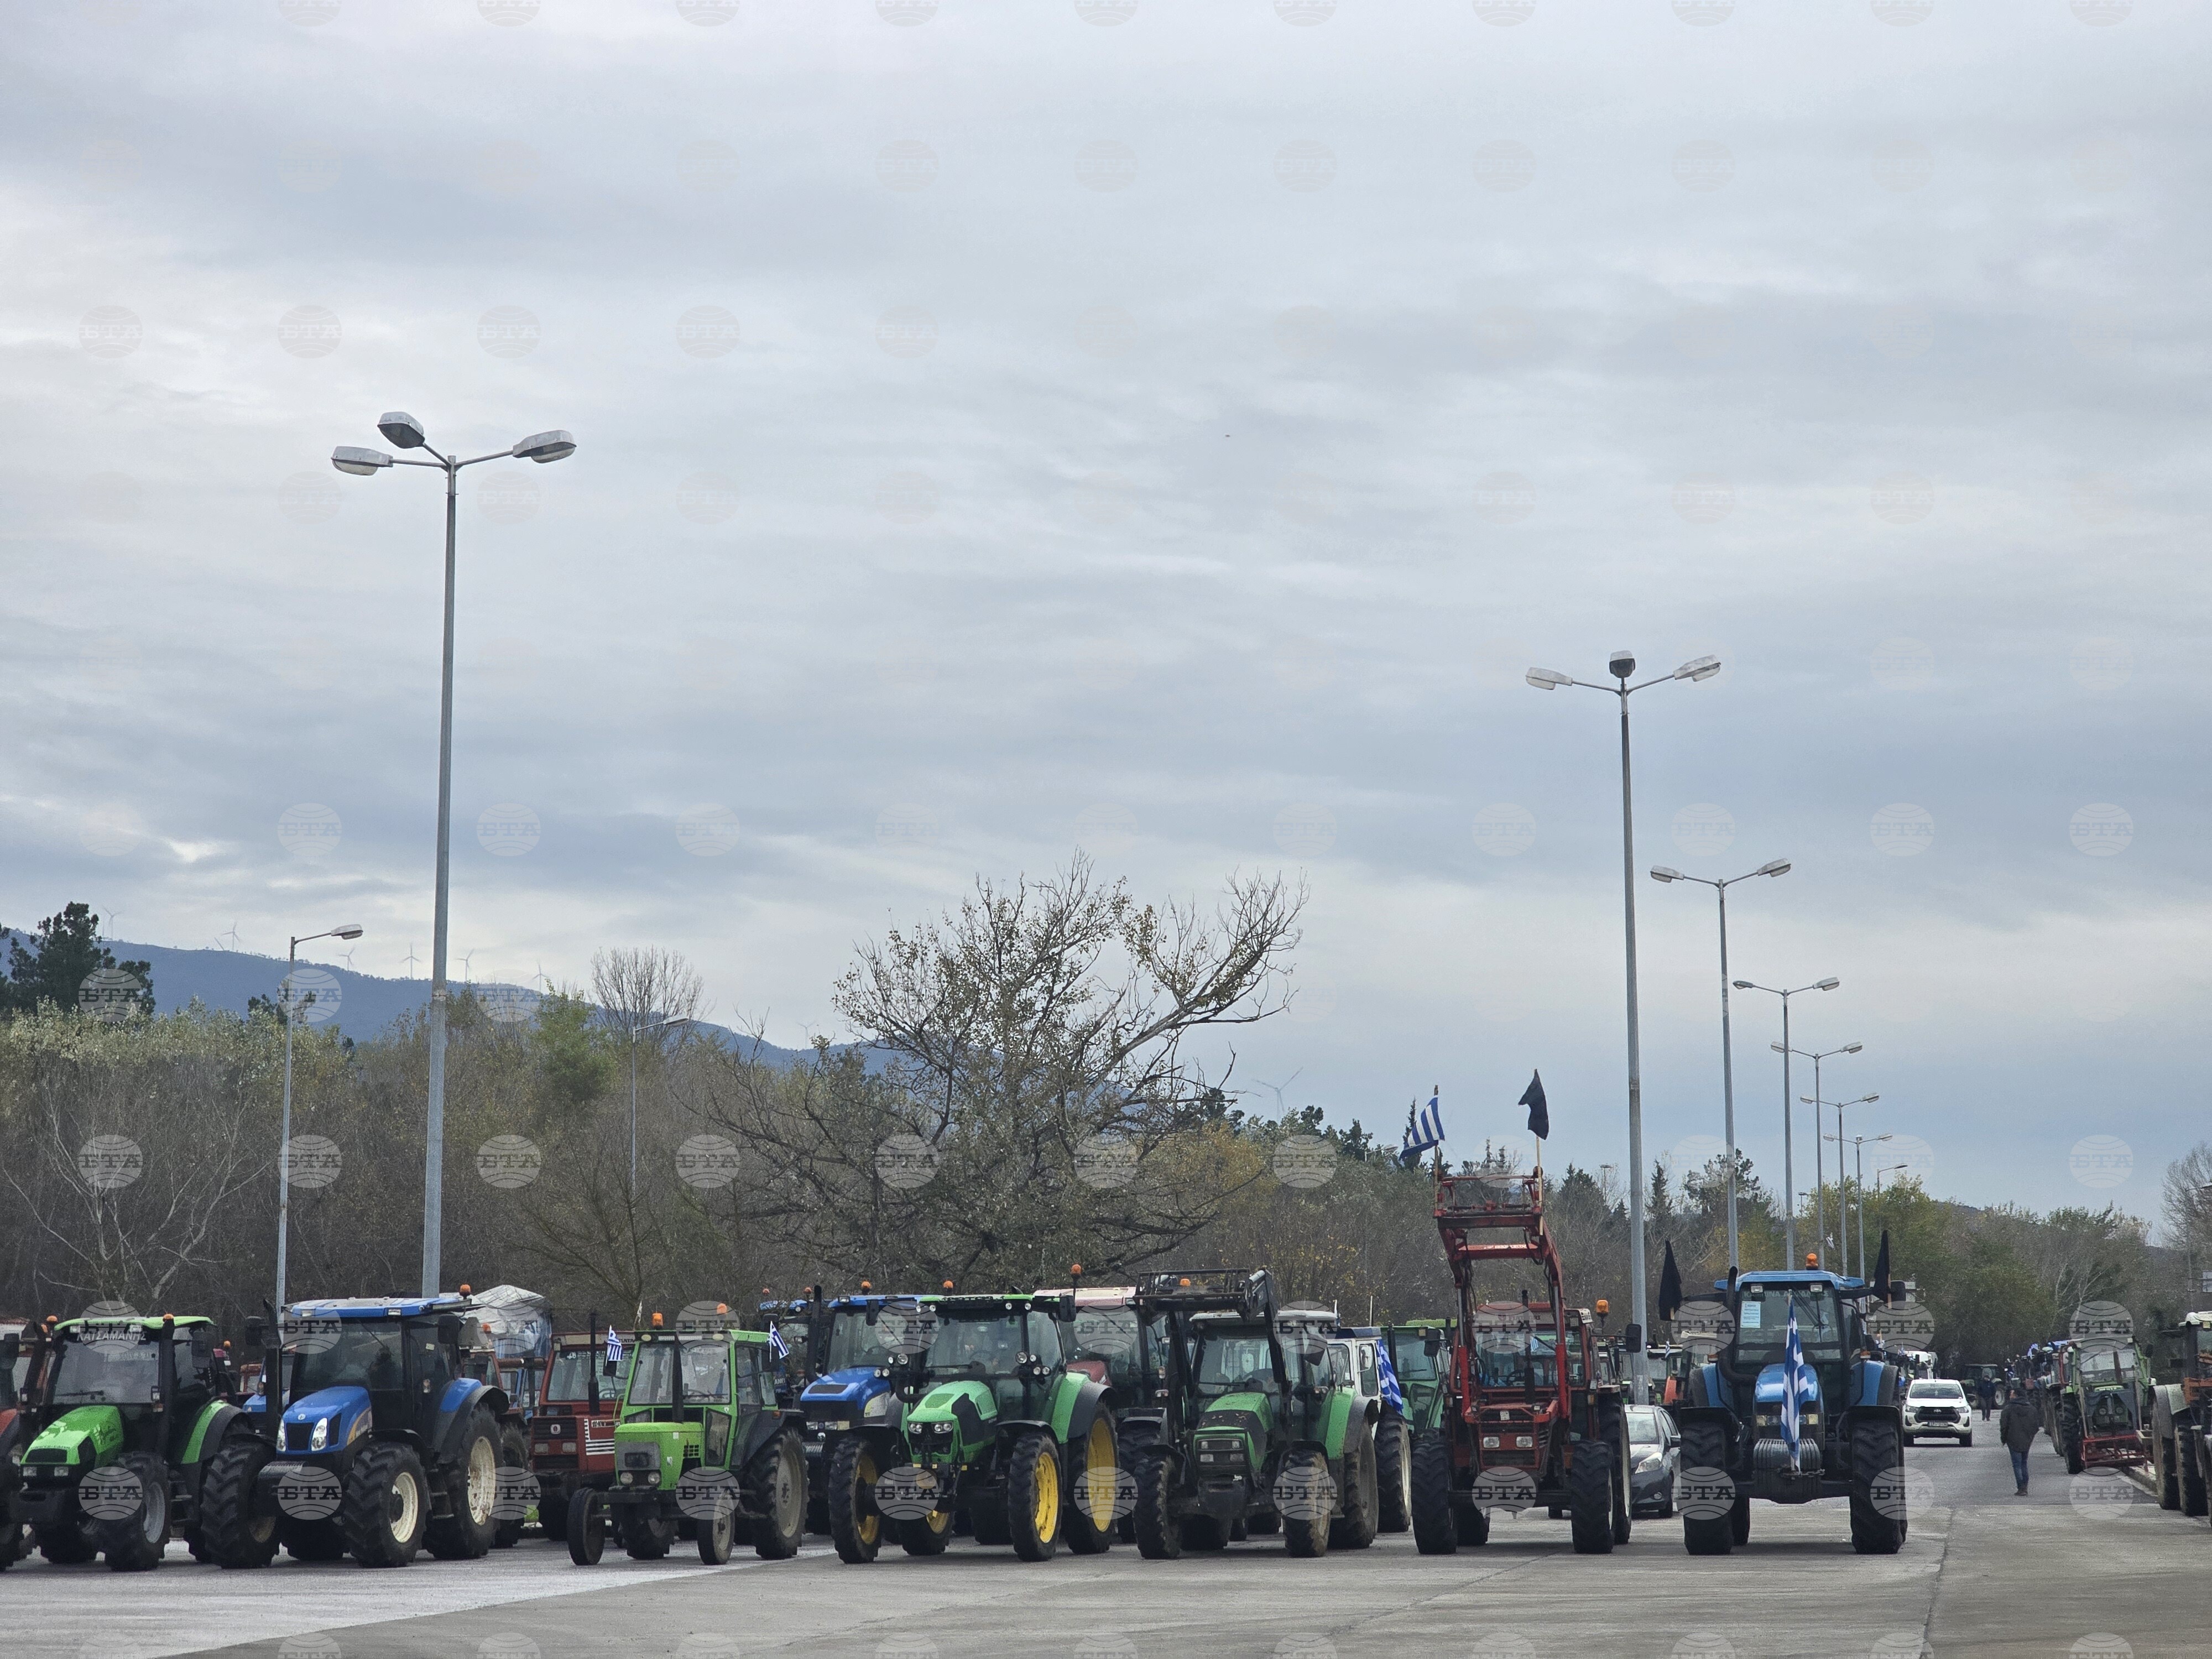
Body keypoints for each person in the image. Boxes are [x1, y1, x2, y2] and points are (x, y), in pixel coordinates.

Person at [1999, 1389, 2040, 1494]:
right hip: (2027, 1439)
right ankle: (2025, 1487)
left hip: (2012, 1439)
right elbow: (2036, 1426)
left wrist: (2004, 1438)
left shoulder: (2008, 1409)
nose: (2010, 1396)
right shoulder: (2032, 1409)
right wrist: (2030, 1436)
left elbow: (2004, 1425)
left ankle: (2021, 1487)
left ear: (2016, 1396)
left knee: (2017, 1464)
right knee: (2024, 1463)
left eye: (2011, 1394)